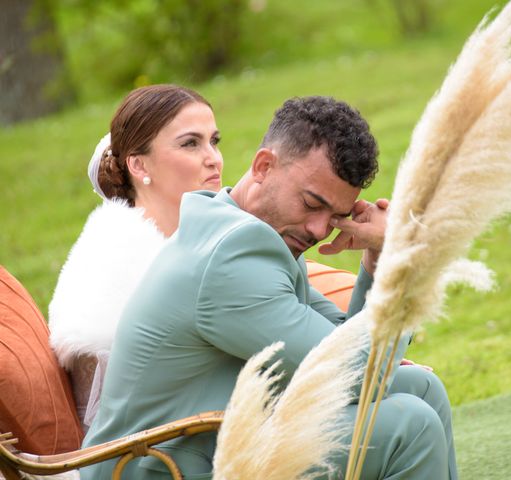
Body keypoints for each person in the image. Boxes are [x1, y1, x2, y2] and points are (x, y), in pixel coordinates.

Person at [81, 96, 457, 479]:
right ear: (263, 166)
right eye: (312, 203)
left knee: (421, 386)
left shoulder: (244, 234)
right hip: (158, 469)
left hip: (209, 445)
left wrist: (377, 262)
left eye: (337, 217)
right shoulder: (231, 259)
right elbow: (358, 378)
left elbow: (347, 342)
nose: (318, 230)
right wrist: (400, 259)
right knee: (410, 425)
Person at [48, 84, 224, 428]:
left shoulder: (192, 240)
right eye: (191, 143)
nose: (213, 158)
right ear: (139, 165)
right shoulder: (117, 264)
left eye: (214, 141)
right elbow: (117, 415)